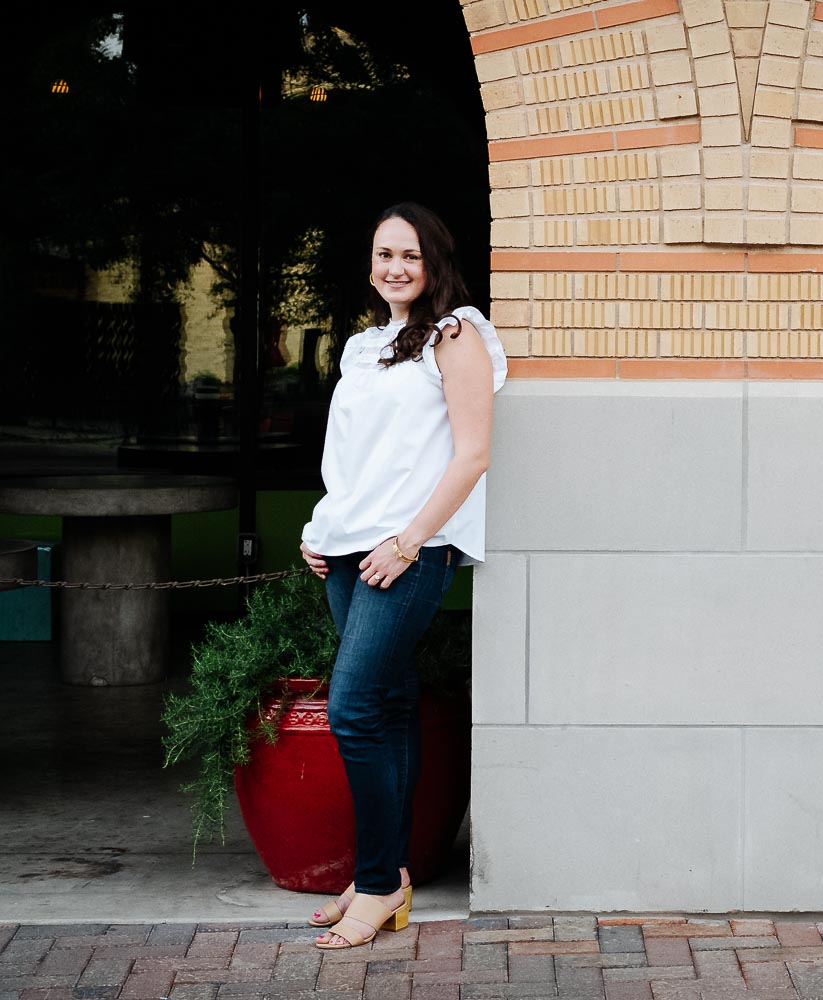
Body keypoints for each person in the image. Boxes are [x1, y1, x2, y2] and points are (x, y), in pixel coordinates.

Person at [298, 202, 506, 949]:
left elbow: (472, 454)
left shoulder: (458, 334)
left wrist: (412, 541)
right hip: (348, 553)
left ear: (434, 262)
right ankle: (388, 875)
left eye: (410, 256)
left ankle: (380, 883)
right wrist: (319, 531)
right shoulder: (364, 346)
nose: (395, 268)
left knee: (352, 710)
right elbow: (351, 459)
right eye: (385, 254)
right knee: (384, 709)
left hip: (408, 554)